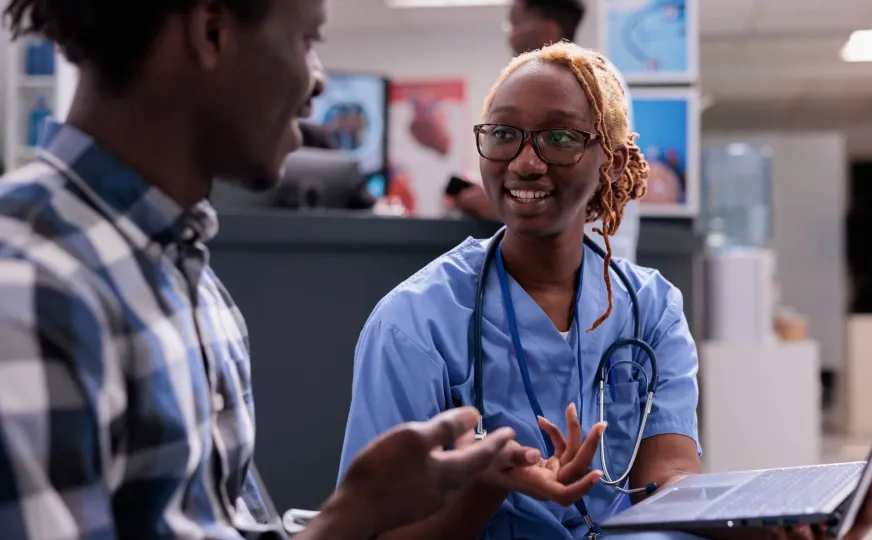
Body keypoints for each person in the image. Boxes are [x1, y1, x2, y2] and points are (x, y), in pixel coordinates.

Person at [0, 0, 528, 539]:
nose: (317, 81)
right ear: (211, 32)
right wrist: (350, 516)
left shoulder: (194, 281)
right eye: (307, 40)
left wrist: (390, 509)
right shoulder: (29, 294)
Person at [338, 42, 872, 540]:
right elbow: (381, 531)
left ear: (611, 161)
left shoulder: (651, 308)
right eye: (504, 134)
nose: (526, 162)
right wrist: (489, 484)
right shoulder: (413, 323)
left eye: (560, 138)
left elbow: (666, 481)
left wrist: (767, 529)